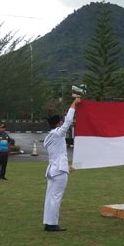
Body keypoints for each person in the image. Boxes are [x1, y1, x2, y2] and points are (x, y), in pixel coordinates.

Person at [43, 96, 81, 232]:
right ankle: (52, 223)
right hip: (58, 171)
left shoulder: (49, 137)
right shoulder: (57, 134)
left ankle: (48, 222)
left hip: (53, 169)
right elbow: (68, 121)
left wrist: (67, 166)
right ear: (58, 123)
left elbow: (58, 154)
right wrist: (74, 104)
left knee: (50, 197)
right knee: (56, 197)